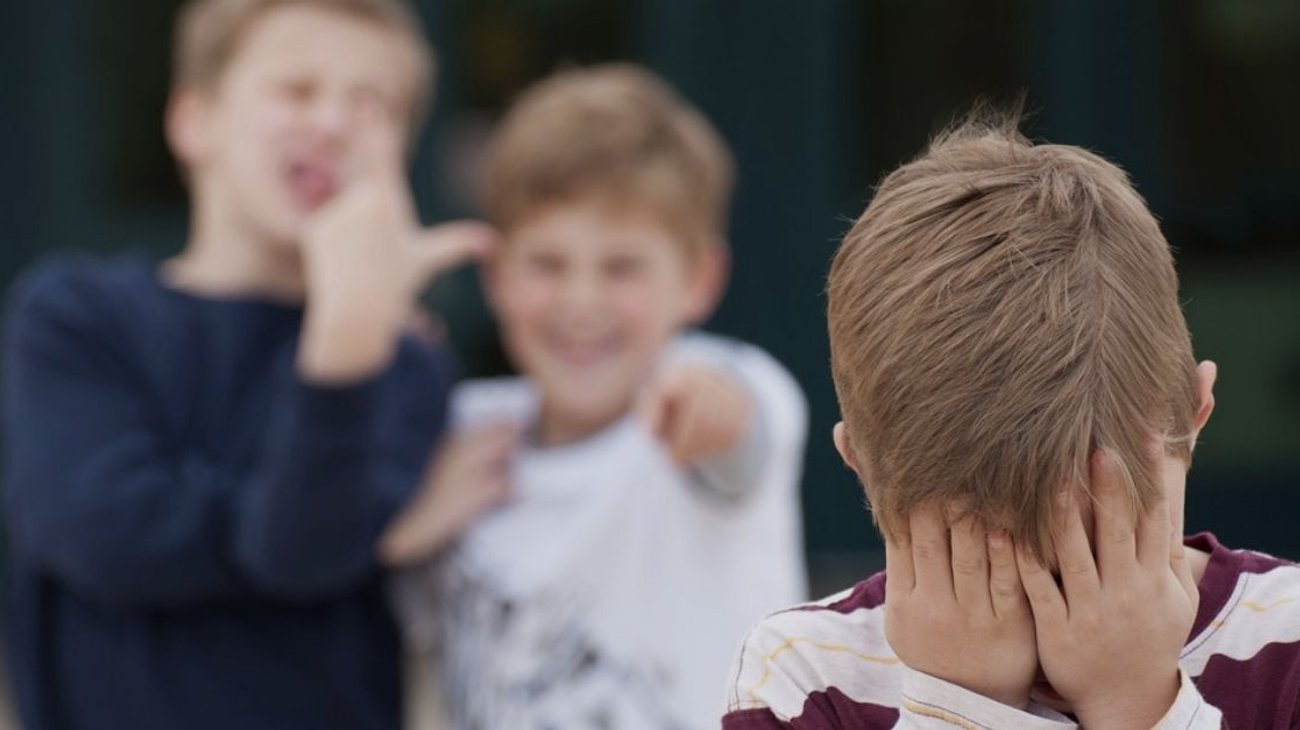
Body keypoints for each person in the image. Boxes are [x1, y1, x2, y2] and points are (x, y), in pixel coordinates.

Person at [1, 1, 493, 728]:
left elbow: (301, 549)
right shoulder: (76, 317)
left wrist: (346, 338)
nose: (331, 122)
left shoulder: (402, 365)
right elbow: (109, 537)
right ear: (194, 121)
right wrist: (370, 536)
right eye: (296, 90)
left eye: (371, 104)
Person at [721, 114, 1300, 728]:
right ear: (861, 464)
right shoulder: (805, 676)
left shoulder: (1286, 643)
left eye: (1100, 541)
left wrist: (1136, 703)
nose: (1065, 611)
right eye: (987, 554)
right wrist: (960, 705)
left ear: (1197, 413)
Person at [382, 64, 809, 730]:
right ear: (495, 275)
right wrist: (398, 529)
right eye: (547, 264)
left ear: (699, 279)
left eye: (622, 267)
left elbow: (738, 426)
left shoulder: (714, 384)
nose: (581, 302)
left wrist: (704, 403)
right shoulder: (463, 433)